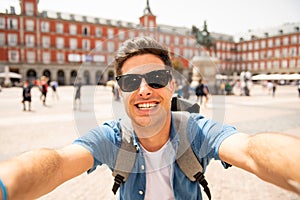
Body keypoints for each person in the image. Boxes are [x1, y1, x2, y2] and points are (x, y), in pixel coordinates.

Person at [0, 36, 300, 200]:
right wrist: (5, 186)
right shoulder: (112, 138)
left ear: (172, 84)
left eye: (156, 78)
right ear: (120, 91)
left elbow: (251, 150)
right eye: (131, 82)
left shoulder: (195, 132)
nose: (144, 90)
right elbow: (57, 163)